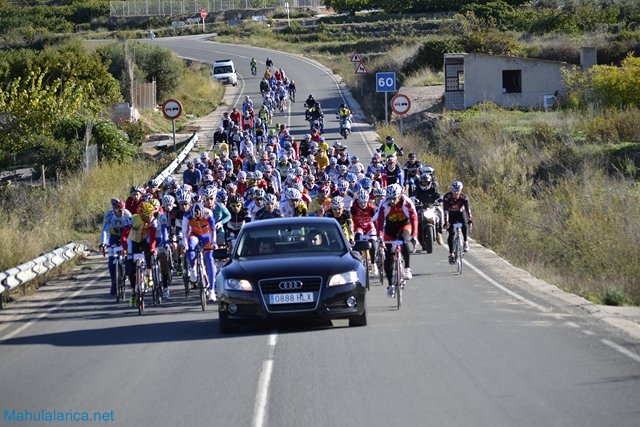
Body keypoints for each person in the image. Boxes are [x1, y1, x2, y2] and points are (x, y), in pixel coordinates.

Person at [372, 183, 418, 296]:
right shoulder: (384, 204)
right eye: (390, 198)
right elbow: (380, 221)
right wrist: (380, 236)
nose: (392, 201)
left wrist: (414, 235)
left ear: (400, 195)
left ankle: (407, 268)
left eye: (394, 198)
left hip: (404, 225)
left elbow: (414, 218)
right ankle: (390, 285)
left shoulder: (407, 202)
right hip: (390, 229)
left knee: (404, 241)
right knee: (388, 258)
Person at [121, 201, 158, 306]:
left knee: (149, 252)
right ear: (141, 214)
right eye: (147, 216)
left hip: (145, 241)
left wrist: (152, 248)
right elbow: (124, 236)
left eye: (150, 215)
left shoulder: (153, 221)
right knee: (130, 268)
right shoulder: (133, 219)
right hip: (133, 241)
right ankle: (133, 293)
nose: (149, 218)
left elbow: (152, 238)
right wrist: (125, 248)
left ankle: (149, 274)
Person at [182, 202, 218, 302]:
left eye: (199, 217)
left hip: (207, 235)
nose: (197, 219)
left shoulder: (208, 213)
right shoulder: (187, 215)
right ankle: (193, 269)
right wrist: (185, 245)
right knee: (190, 246)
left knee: (209, 259)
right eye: (195, 218)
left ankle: (211, 290)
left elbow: (213, 230)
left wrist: (214, 243)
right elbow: (184, 232)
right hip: (194, 234)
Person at [100, 198, 132, 296]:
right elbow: (105, 230)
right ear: (114, 210)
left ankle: (127, 272)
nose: (122, 212)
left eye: (123, 210)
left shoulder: (127, 214)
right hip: (113, 237)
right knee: (111, 260)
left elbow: (132, 229)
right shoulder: (109, 215)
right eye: (119, 211)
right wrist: (103, 243)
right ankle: (114, 283)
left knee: (128, 256)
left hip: (125, 236)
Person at [442, 180, 473, 264]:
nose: (456, 193)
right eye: (454, 191)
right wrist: (446, 221)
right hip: (451, 214)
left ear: (461, 190)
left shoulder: (464, 198)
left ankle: (466, 242)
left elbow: (468, 209)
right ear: (451, 190)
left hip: (460, 213)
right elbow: (445, 211)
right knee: (451, 233)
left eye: (458, 191)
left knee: (464, 224)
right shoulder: (447, 197)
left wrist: (470, 219)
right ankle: (451, 253)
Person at [412, 173, 443, 244]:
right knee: (413, 217)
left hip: (432, 207)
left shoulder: (433, 189)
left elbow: (438, 195)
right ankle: (414, 234)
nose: (424, 184)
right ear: (420, 182)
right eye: (423, 182)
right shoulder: (417, 189)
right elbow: (413, 195)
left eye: (426, 182)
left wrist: (440, 199)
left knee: (440, 212)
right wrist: (413, 199)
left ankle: (439, 232)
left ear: (429, 182)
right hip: (420, 208)